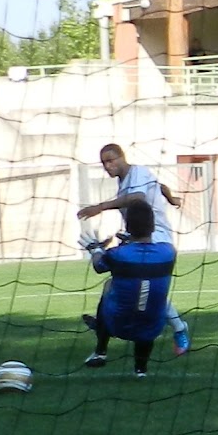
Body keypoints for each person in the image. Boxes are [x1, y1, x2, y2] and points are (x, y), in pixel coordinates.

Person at [76, 144, 191, 353]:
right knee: (136, 287)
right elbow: (159, 185)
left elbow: (137, 198)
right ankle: (106, 321)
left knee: (146, 289)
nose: (107, 166)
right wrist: (171, 197)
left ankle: (178, 328)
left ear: (122, 157)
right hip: (140, 238)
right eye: (104, 163)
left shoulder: (137, 172)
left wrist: (100, 207)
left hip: (157, 238)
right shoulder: (126, 182)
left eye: (111, 160)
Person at [80, 200, 176, 377]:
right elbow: (143, 257)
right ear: (153, 226)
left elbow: (99, 266)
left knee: (109, 285)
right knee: (148, 304)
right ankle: (141, 370)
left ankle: (101, 349)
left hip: (118, 324)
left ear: (128, 227)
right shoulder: (169, 252)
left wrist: (95, 249)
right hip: (152, 325)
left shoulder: (119, 254)